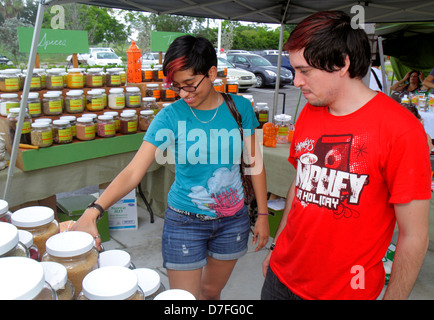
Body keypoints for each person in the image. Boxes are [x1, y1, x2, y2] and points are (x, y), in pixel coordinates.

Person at [71, 35, 269, 299]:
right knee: (182, 300)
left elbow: (255, 165)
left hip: (232, 221)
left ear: (211, 73)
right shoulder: (170, 116)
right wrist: (93, 210)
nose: (184, 94)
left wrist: (264, 216)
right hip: (184, 222)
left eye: (190, 84)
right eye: (177, 86)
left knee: (211, 292)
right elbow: (133, 171)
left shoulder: (240, 108)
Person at [261, 10, 431, 300]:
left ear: (342, 63)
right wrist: (277, 248)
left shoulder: (401, 129)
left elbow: (414, 236)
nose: (297, 81)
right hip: (281, 277)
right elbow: (301, 183)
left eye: (305, 71)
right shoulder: (309, 112)